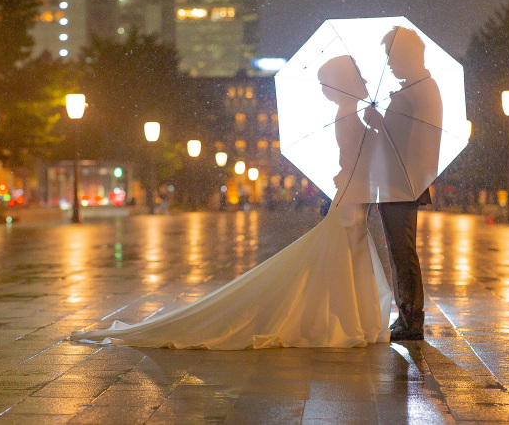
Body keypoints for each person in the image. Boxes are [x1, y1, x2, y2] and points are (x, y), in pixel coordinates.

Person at [71, 55, 393, 349]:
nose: (324, 91)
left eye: (327, 84)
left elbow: (355, 158)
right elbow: (357, 159)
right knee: (343, 252)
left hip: (352, 194)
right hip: (351, 195)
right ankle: (344, 321)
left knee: (345, 253)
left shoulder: (351, 114)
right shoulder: (350, 114)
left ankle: (344, 320)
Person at [376, 26, 442, 342]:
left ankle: (412, 319)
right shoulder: (415, 89)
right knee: (399, 251)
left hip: (403, 181)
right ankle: (406, 314)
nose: (389, 64)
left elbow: (410, 144)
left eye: (391, 56)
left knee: (403, 251)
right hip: (398, 181)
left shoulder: (419, 90)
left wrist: (380, 125)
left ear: (406, 55)